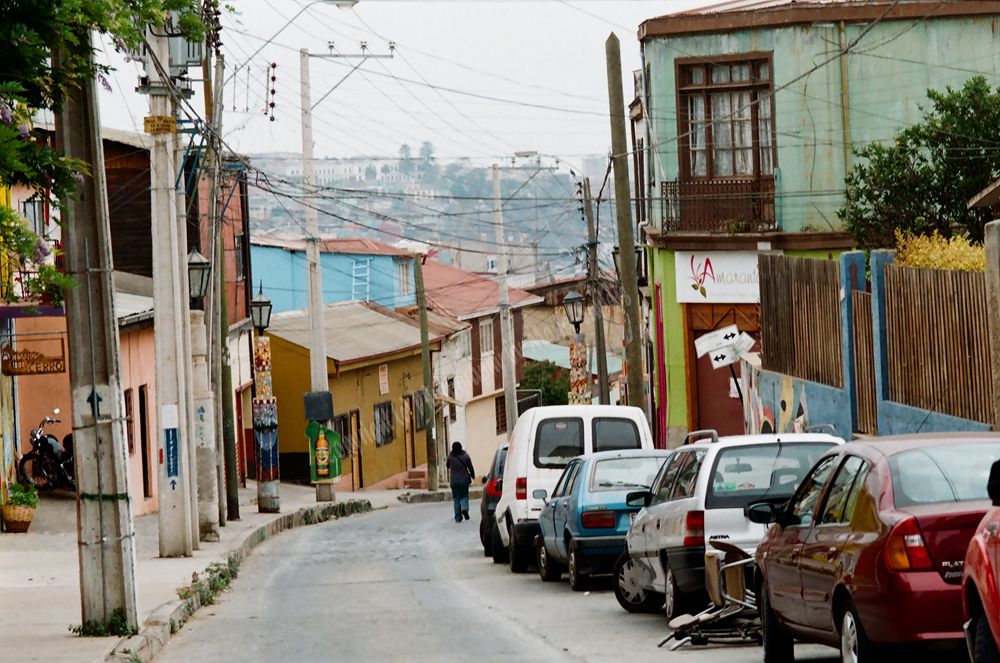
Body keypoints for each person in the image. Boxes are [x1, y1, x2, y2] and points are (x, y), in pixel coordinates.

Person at [446, 442, 475, 523]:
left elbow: (447, 466)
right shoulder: (466, 456)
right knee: (464, 495)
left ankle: (458, 517)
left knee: (456, 498)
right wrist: (473, 475)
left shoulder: (450, 456)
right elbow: (470, 467)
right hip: (464, 479)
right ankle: (464, 508)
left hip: (454, 480)